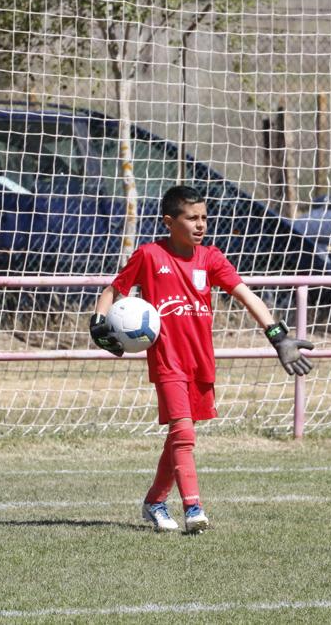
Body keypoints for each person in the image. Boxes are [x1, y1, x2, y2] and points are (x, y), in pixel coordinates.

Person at [89, 185, 314, 534]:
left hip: (200, 361)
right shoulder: (149, 256)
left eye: (204, 218)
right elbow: (114, 290)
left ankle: (154, 502)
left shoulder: (210, 258)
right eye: (191, 218)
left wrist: (277, 336)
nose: (200, 225)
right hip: (167, 361)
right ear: (169, 221)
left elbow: (246, 295)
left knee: (181, 434)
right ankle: (194, 508)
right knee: (183, 434)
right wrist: (98, 321)